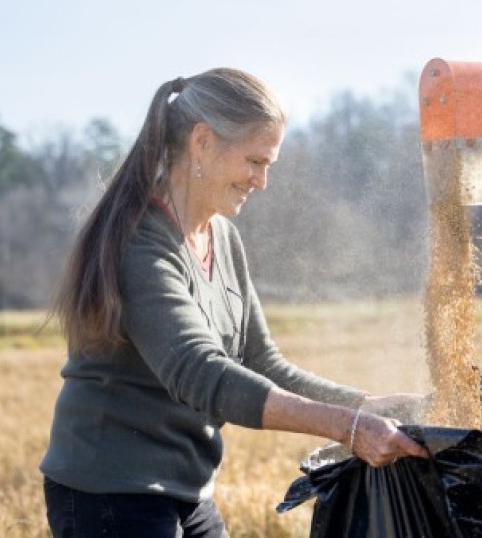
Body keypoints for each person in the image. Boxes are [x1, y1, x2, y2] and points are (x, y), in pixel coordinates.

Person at [40, 68, 428, 537]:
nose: (262, 182)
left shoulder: (223, 237)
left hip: (186, 491)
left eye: (269, 165)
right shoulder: (141, 241)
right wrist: (350, 428)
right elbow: (199, 371)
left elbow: (264, 363)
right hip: (108, 492)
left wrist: (370, 405)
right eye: (254, 161)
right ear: (202, 142)